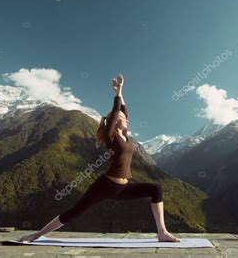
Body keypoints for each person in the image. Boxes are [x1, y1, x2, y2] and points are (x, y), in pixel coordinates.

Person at [19, 74, 180, 243]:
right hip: (106, 186)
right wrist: (118, 91)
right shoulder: (111, 137)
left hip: (123, 188)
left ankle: (162, 233)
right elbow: (118, 111)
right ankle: (36, 235)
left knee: (156, 189)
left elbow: (123, 111)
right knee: (75, 212)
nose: (127, 120)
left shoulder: (124, 135)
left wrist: (121, 91)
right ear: (115, 122)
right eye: (123, 119)